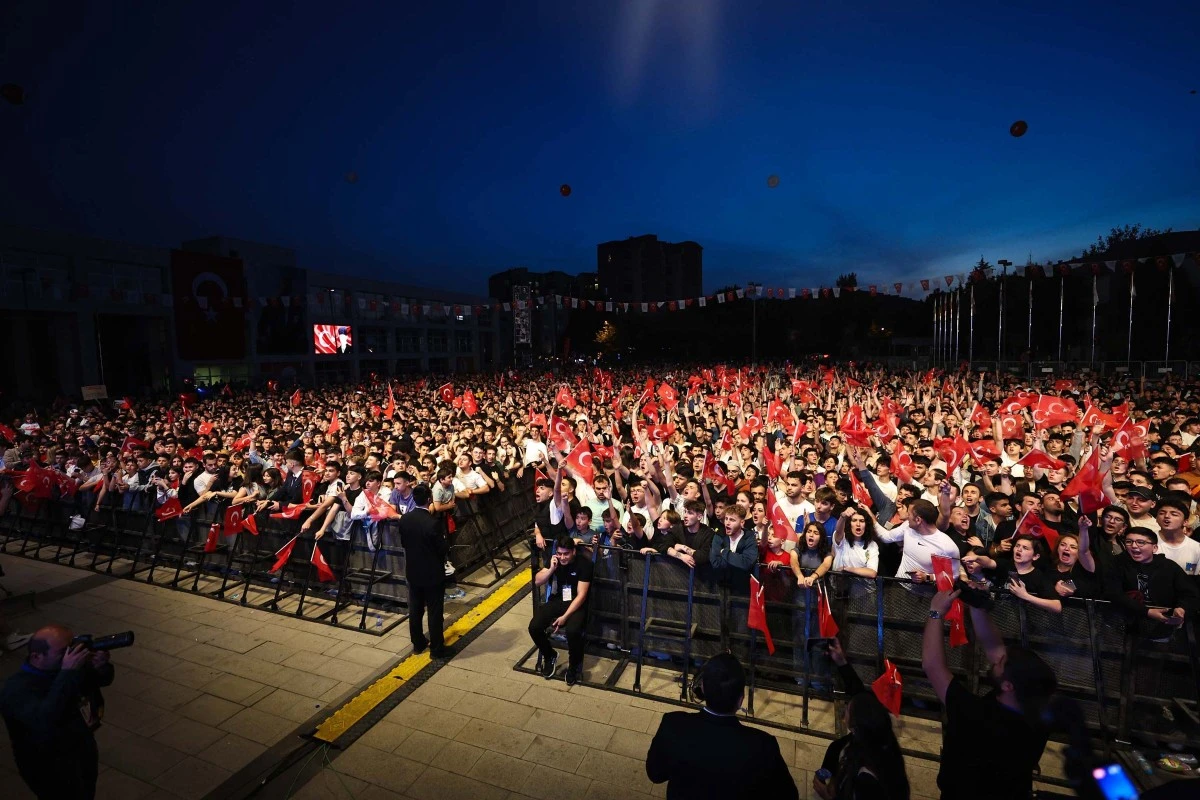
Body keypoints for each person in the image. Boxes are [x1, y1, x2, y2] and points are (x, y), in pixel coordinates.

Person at [923, 589, 1058, 800]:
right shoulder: (1039, 719)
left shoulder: (976, 715)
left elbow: (933, 666)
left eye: (1001, 663)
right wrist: (977, 607)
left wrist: (936, 612)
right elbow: (996, 649)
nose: (996, 659)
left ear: (1008, 686)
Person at [646, 652, 798, 799]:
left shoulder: (673, 724)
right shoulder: (764, 746)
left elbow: (655, 774)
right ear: (741, 700)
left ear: (703, 689)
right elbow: (788, 796)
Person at [0, 624, 116, 799]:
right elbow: (45, 720)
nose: (71, 655)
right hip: (48, 765)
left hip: (81, 748)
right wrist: (67, 673)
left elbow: (99, 681)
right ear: (36, 656)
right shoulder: (16, 689)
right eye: (63, 652)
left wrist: (101, 667)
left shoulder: (64, 669)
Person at [528, 534, 593, 686]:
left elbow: (582, 595)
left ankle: (574, 665)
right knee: (534, 627)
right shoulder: (555, 561)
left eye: (566, 554)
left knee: (573, 631)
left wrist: (565, 616)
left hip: (577, 603)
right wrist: (551, 569)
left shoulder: (584, 565)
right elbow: (537, 581)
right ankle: (550, 655)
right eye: (560, 553)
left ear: (573, 552)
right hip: (559, 599)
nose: (563, 557)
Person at [396, 484, 449, 658]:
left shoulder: (405, 519)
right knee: (434, 611)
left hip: (413, 571)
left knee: (416, 609)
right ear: (429, 500)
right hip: (432, 573)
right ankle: (437, 648)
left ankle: (418, 643)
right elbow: (441, 549)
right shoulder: (433, 523)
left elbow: (404, 543)